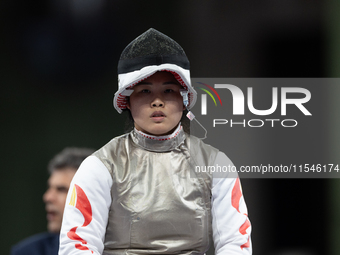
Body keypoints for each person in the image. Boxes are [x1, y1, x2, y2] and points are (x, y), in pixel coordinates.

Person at [59, 28, 252, 255]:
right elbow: (78, 245)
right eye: (145, 91)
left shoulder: (215, 163)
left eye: (168, 90)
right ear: (127, 101)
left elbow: (235, 244)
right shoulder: (100, 166)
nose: (157, 101)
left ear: (184, 99)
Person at [10, 147, 94, 255]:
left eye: (61, 189)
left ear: (92, 197)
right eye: (49, 188)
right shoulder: (27, 252)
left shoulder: (119, 249)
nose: (47, 197)